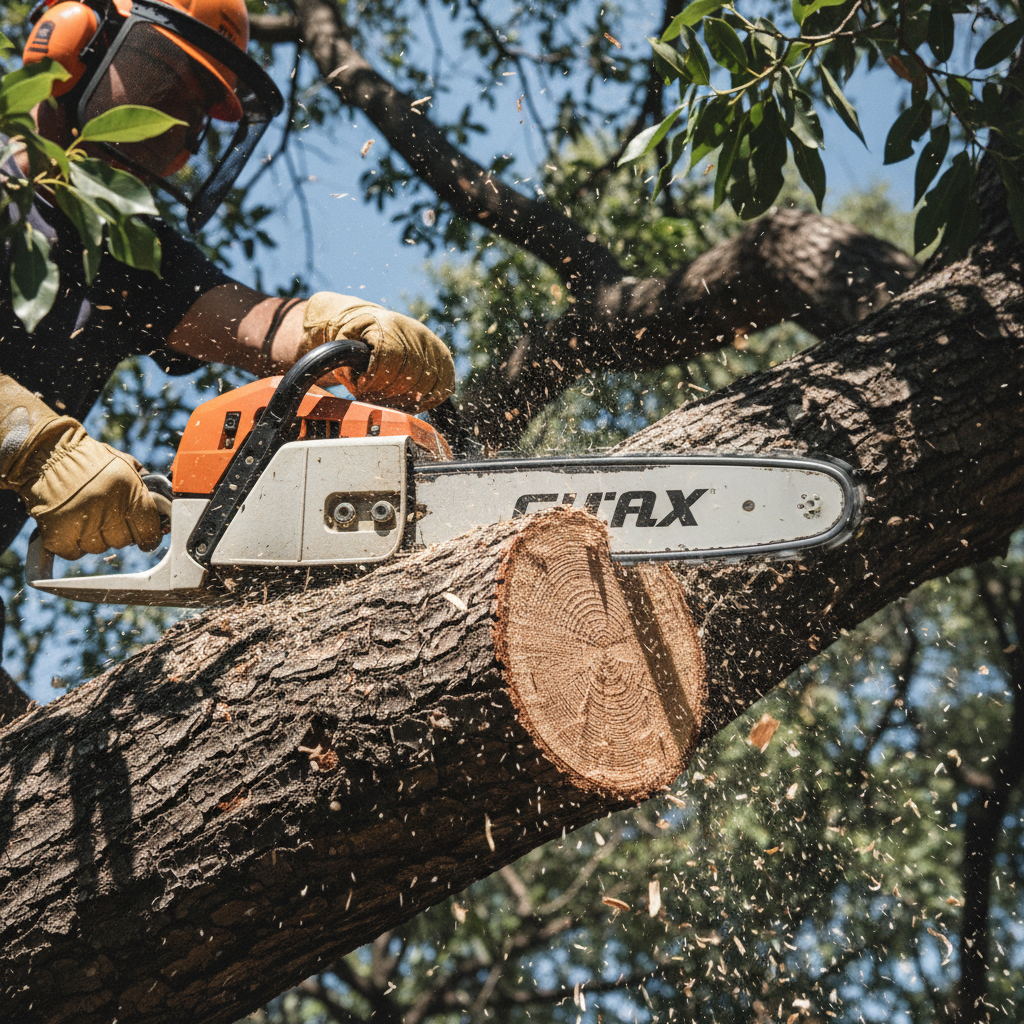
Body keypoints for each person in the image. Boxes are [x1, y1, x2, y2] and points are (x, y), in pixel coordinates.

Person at [0, 0, 455, 713]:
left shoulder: (121, 245)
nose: (175, 127)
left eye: (195, 112)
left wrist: (338, 332)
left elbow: (251, 325)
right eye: (167, 80)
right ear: (69, 44)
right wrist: (30, 444)